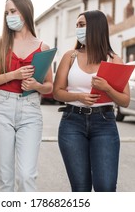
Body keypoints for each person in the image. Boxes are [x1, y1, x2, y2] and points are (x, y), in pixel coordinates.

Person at [53, 10, 130, 192]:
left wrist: (107, 88)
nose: (78, 29)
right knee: (80, 189)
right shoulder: (70, 56)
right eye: (77, 25)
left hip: (104, 124)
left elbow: (125, 101)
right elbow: (57, 92)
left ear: (96, 28)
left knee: (106, 187)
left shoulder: (113, 60)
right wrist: (78, 96)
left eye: (82, 25)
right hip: (72, 123)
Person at [0, 0, 53, 192]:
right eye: (6, 12)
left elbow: (50, 86)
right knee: (5, 179)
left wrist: (36, 87)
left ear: (25, 11)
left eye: (13, 11)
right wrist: (13, 74)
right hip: (2, 108)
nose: (9, 16)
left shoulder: (43, 47)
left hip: (30, 110)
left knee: (26, 176)